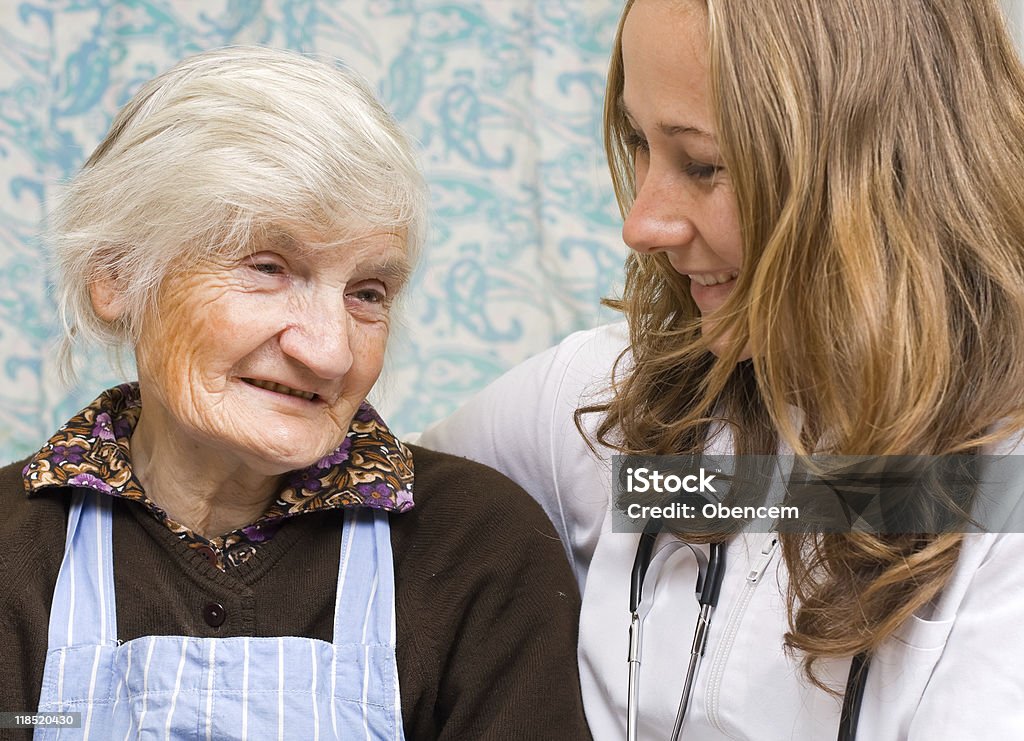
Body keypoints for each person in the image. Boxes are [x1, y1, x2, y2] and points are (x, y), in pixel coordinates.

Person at [419, 0, 1024, 738]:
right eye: (639, 142)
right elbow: (361, 505)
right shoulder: (603, 399)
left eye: (702, 164)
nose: (642, 224)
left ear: (882, 170)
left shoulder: (1003, 485)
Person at [0, 46, 591, 740]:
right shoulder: (13, 550)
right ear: (119, 276)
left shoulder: (478, 548)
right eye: (269, 267)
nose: (331, 350)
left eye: (367, 292)